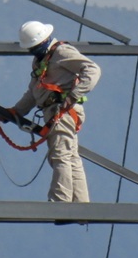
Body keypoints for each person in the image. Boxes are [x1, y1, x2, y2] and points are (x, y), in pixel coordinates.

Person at [5, 20, 101, 202]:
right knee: (70, 157)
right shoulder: (41, 61)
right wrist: (16, 111)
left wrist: (72, 96)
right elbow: (33, 92)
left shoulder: (61, 52)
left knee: (60, 154)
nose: (32, 51)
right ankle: (80, 203)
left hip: (63, 111)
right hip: (55, 112)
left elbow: (92, 70)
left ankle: (60, 201)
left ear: (44, 41)